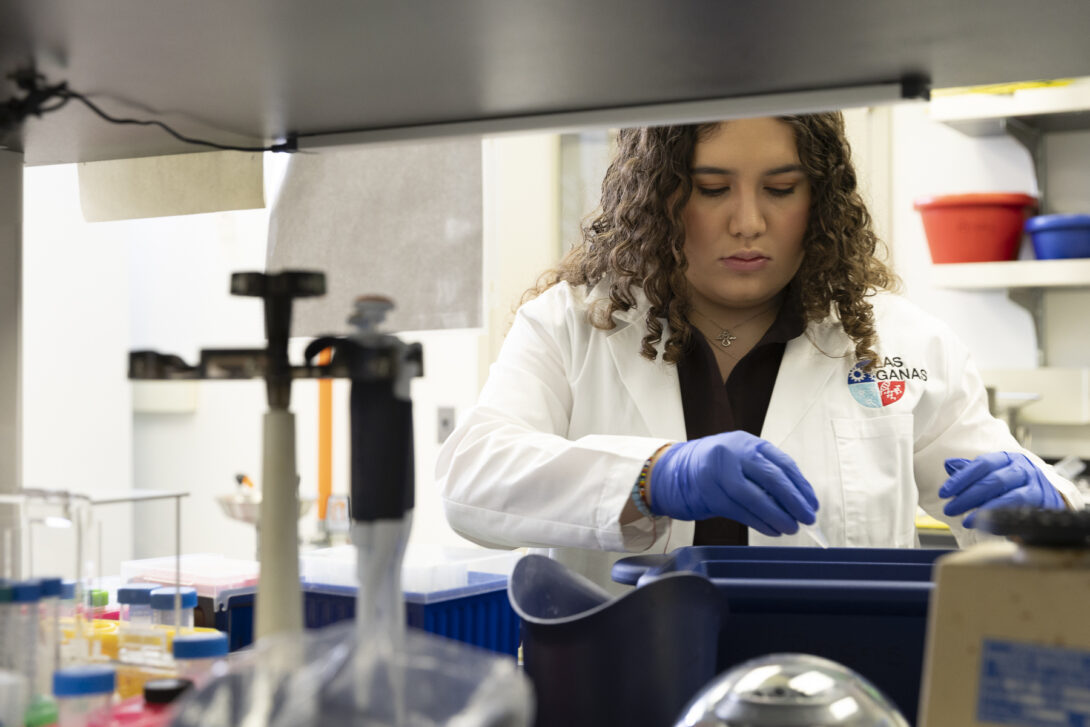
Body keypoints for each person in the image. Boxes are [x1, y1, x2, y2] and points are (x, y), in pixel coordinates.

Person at [435, 113, 1083, 592]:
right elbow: (471, 478)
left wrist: (1049, 511)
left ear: (820, 199)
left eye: (780, 188)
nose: (748, 221)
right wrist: (654, 476)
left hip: (838, 698)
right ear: (658, 196)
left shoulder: (902, 344)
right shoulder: (572, 327)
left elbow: (1007, 533)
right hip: (628, 688)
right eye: (712, 188)